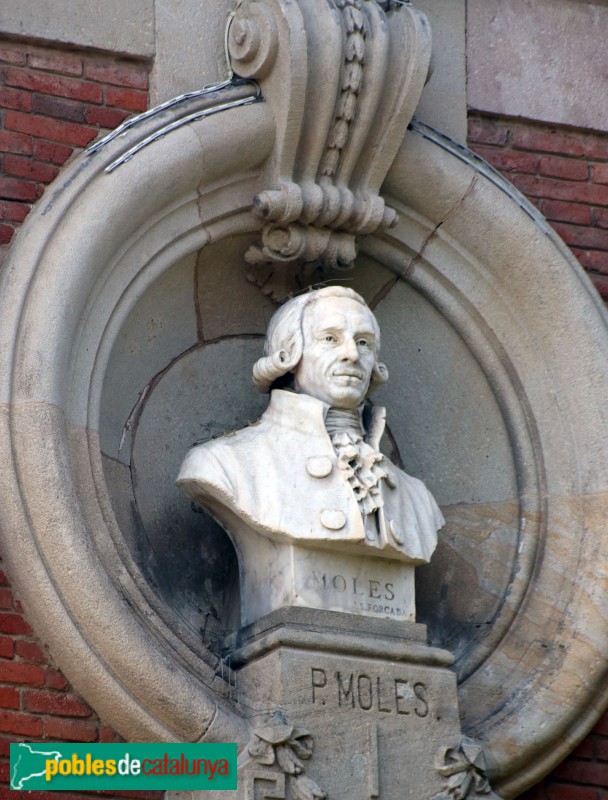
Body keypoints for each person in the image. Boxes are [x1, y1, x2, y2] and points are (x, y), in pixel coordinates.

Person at [177, 286, 444, 565]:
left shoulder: (418, 499)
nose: (352, 354)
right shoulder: (222, 465)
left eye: (363, 342)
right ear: (290, 355)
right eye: (330, 338)